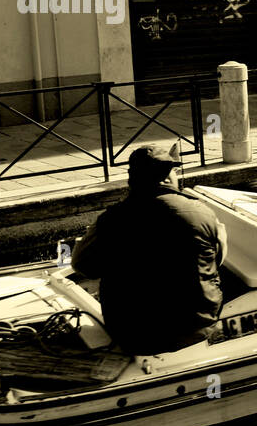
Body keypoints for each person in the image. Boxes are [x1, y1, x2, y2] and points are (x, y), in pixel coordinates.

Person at [71, 143, 228, 356]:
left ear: (133, 179)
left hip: (133, 335)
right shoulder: (203, 213)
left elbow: (82, 266)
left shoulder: (111, 220)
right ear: (168, 176)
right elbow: (217, 260)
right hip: (195, 329)